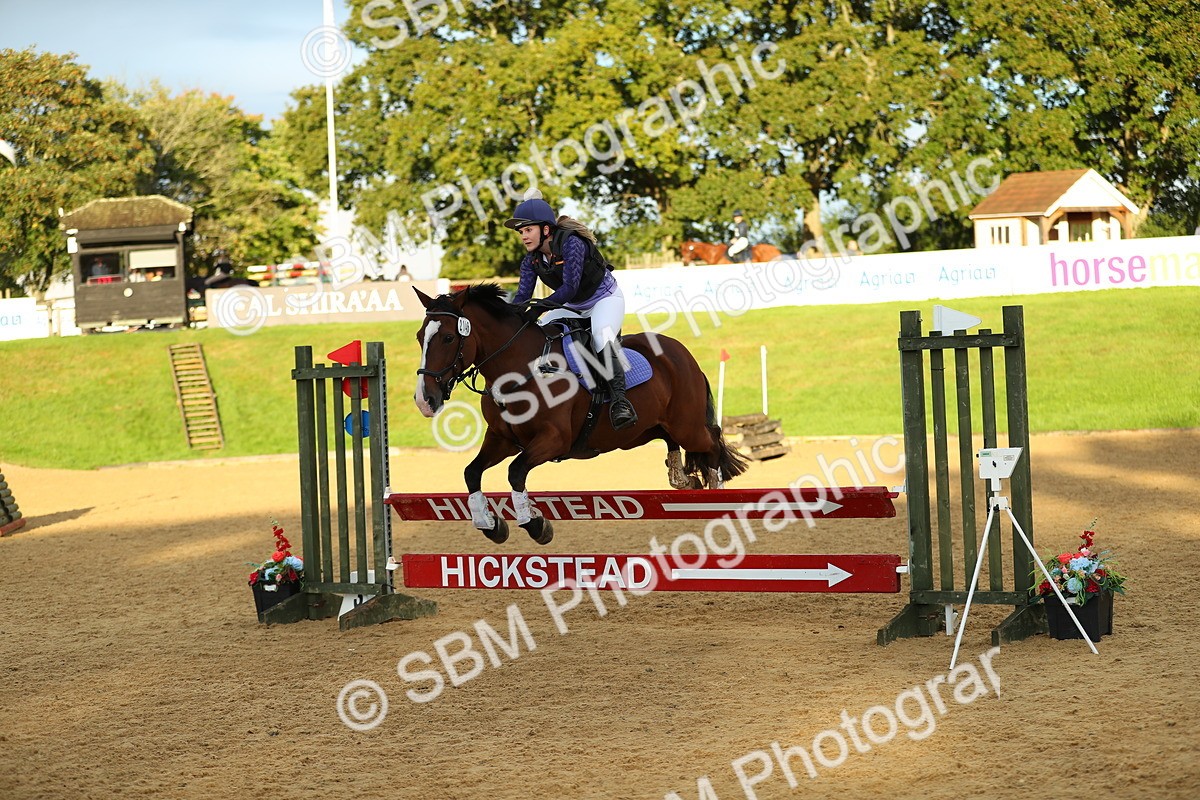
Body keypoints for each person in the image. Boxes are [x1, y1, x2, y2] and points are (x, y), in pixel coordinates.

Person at [505, 190, 638, 431]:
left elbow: (570, 287)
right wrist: (507, 317)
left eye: (528, 230)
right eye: (521, 232)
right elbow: (522, 297)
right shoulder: (531, 260)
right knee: (543, 330)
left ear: (546, 229)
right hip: (573, 306)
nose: (524, 237)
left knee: (601, 336)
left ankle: (620, 401)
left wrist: (541, 307)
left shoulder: (571, 243)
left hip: (604, 299)